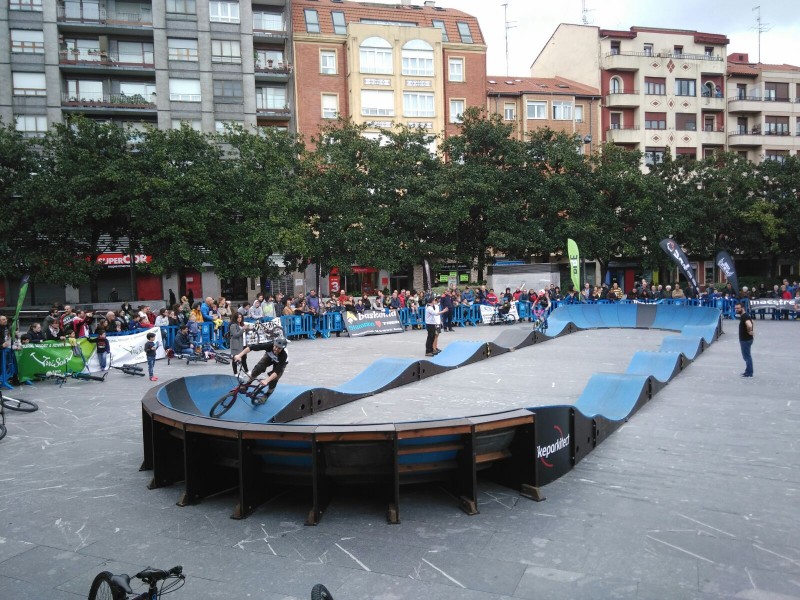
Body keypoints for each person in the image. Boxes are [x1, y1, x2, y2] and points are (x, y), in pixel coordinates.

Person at [233, 336, 289, 402]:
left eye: (279, 348)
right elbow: (252, 347)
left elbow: (277, 372)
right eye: (275, 347)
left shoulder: (283, 355)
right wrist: (239, 355)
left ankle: (267, 394)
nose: (276, 349)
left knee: (274, 379)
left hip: (280, 362)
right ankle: (248, 384)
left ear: (282, 349)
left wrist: (266, 381)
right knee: (258, 368)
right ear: (273, 344)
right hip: (269, 356)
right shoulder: (269, 345)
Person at [735, 302, 754, 378]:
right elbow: (753, 322)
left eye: (738, 308)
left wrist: (750, 330)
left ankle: (749, 372)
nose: (736, 310)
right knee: (747, 356)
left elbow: (749, 324)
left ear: (742, 308)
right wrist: (752, 330)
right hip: (746, 339)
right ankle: (748, 371)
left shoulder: (744, 316)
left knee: (746, 357)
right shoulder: (744, 316)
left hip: (745, 340)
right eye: (736, 308)